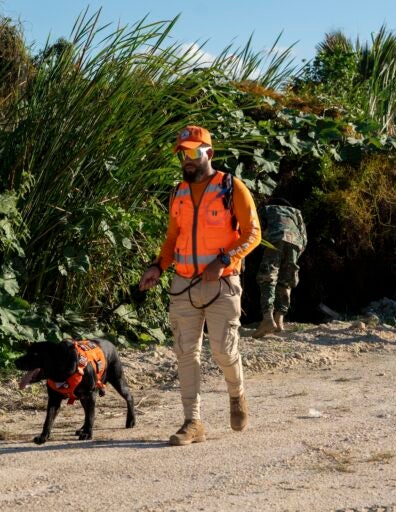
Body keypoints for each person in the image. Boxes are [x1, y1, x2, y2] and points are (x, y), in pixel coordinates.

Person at [138, 125, 261, 446]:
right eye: (183, 154)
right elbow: (172, 240)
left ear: (210, 153)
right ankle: (193, 422)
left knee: (222, 349)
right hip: (183, 286)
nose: (188, 160)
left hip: (222, 285)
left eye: (194, 152)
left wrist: (224, 260)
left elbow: (253, 233)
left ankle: (237, 395)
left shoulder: (231, 187)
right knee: (185, 353)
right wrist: (157, 267)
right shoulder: (177, 192)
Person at [252, 197, 307, 338]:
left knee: (268, 277)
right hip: (295, 243)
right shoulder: (296, 212)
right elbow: (304, 238)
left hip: (274, 239)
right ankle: (279, 319)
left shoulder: (267, 209)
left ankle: (267, 318)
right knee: (287, 280)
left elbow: (257, 229)